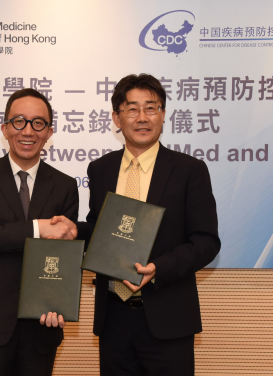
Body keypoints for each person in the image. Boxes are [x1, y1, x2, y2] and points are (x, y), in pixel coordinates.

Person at [57, 73, 220, 375]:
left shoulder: (189, 170)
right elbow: (99, 230)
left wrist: (159, 268)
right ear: (117, 118)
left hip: (168, 318)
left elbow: (206, 242)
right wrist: (75, 230)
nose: (142, 117)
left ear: (163, 115)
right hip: (114, 319)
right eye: (132, 109)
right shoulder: (101, 169)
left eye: (151, 108)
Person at [0, 88, 79, 376]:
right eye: (19, 121)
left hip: (41, 325)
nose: (28, 131)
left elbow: (62, 257)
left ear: (49, 132)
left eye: (38, 123)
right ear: (5, 128)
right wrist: (38, 227)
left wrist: (58, 303)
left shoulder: (64, 185)